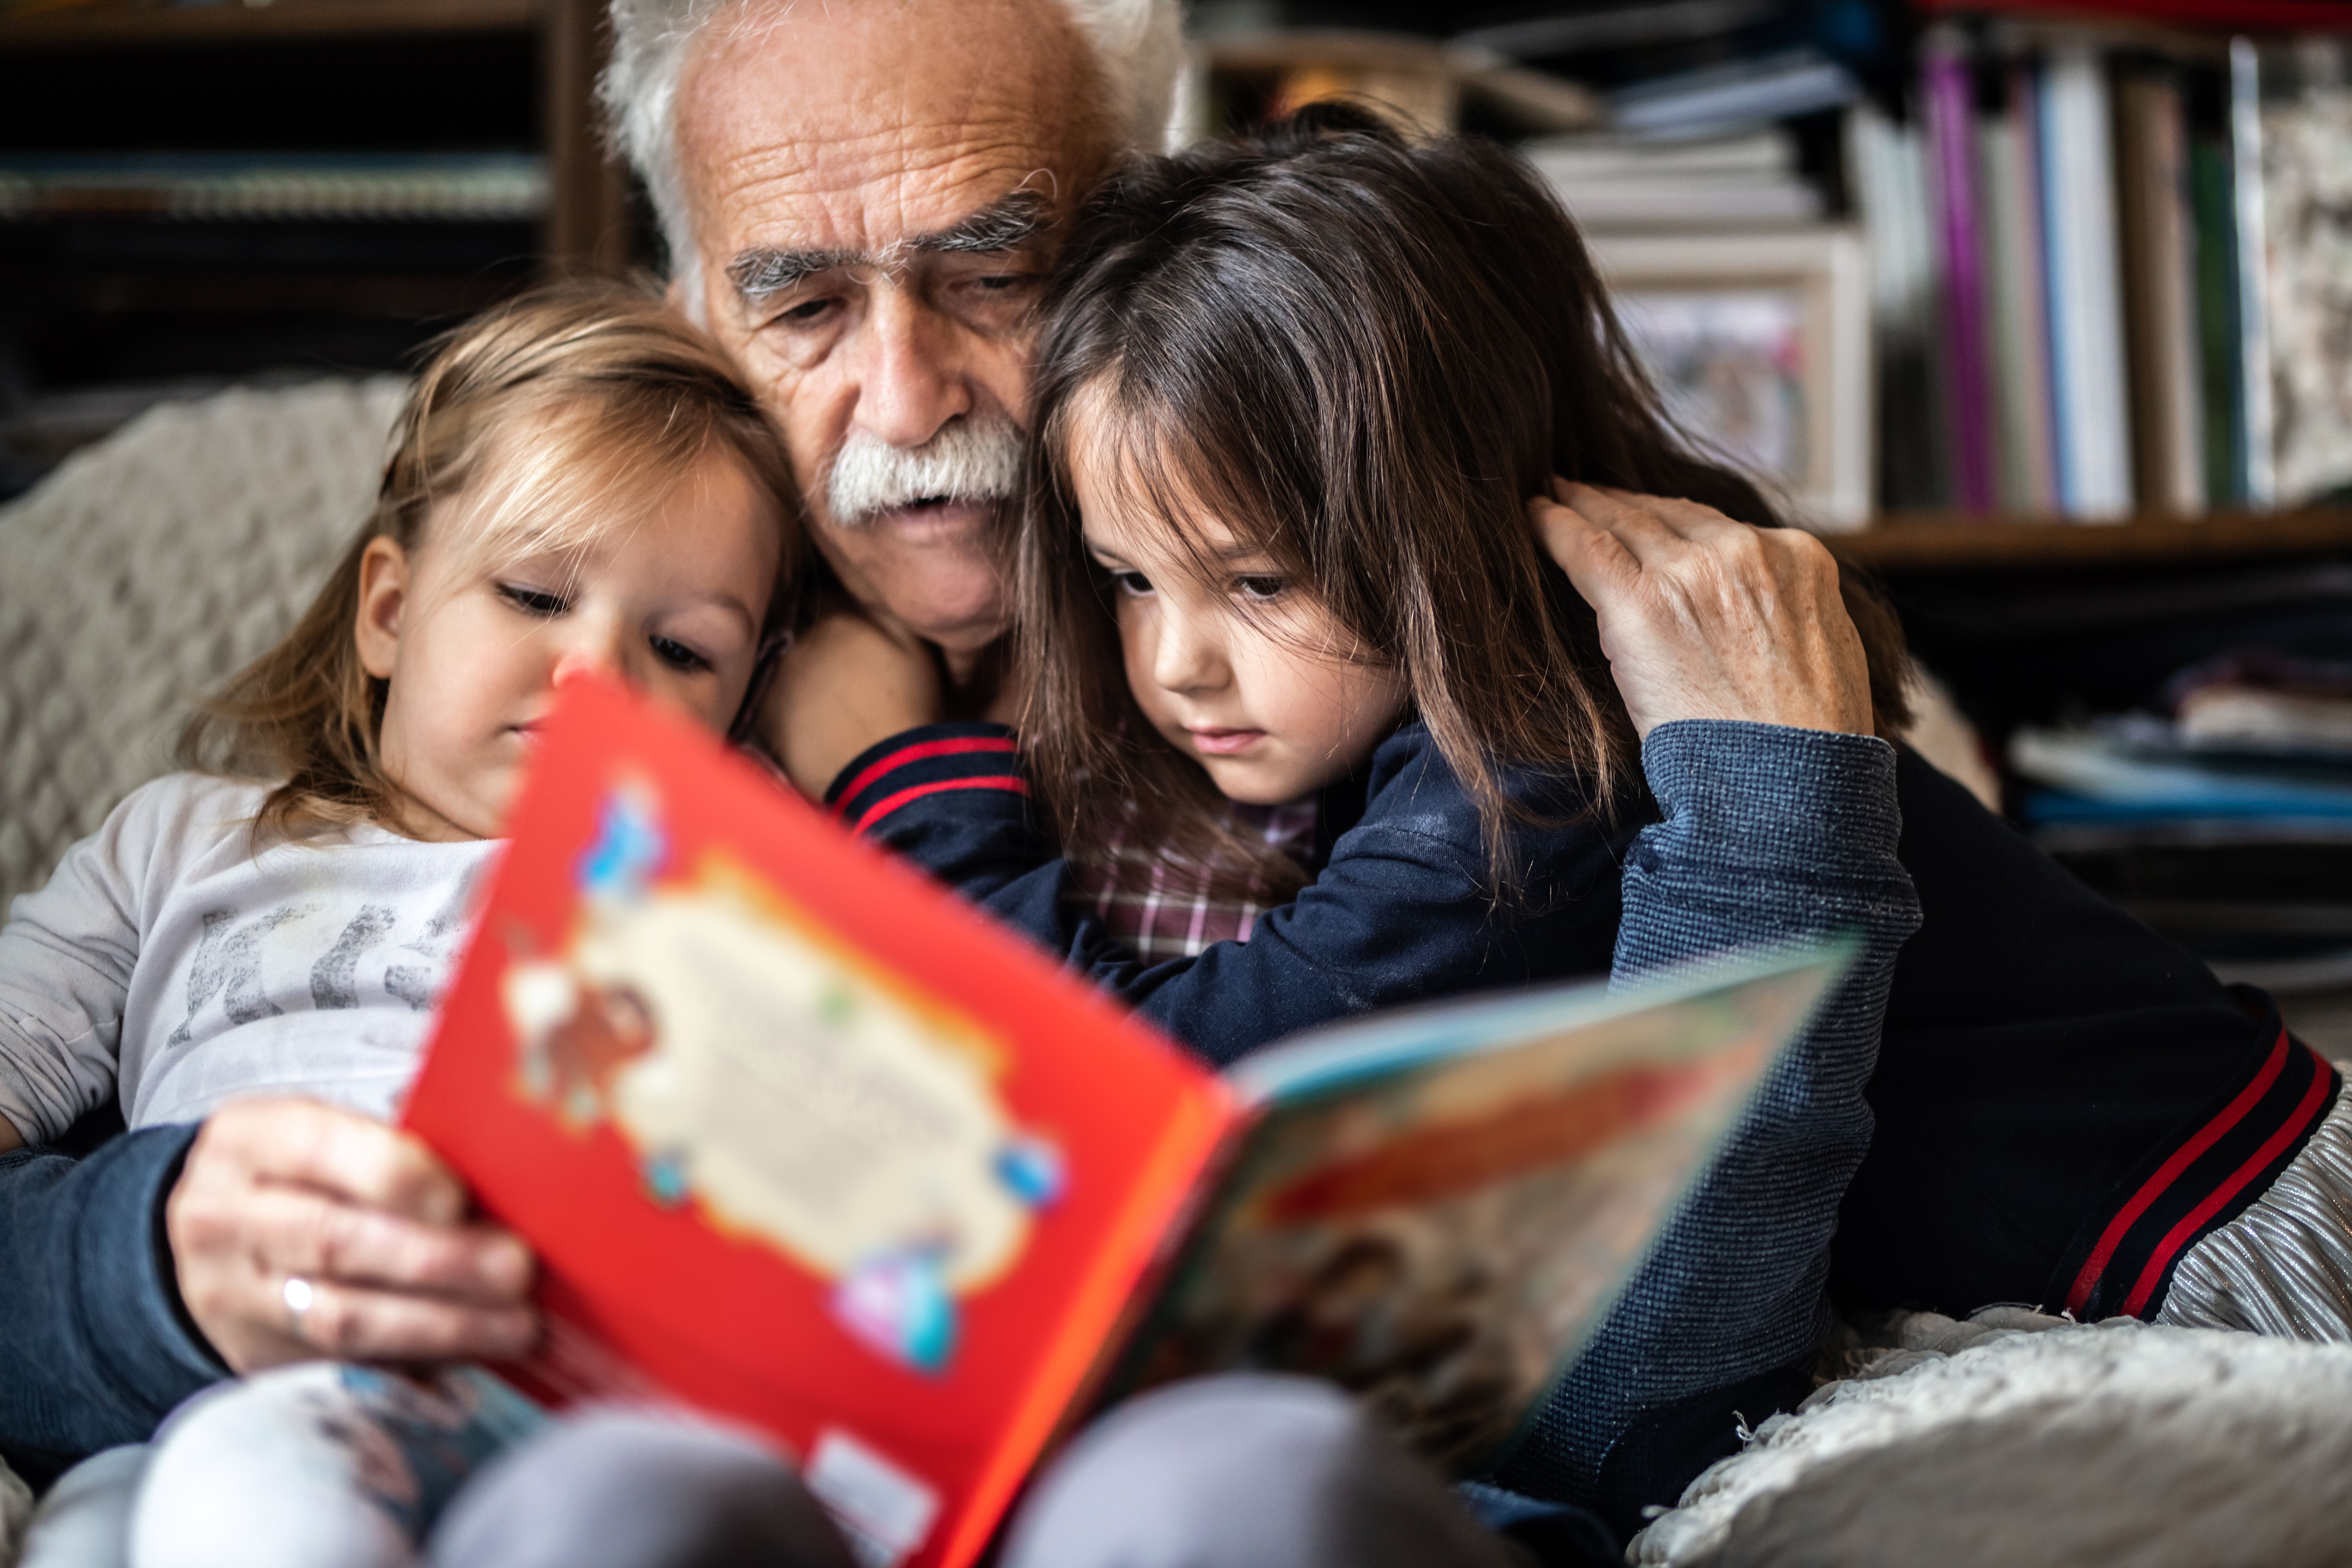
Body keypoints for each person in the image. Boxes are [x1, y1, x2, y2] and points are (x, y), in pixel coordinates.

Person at [0, 2, 1910, 1563]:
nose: (908, 401)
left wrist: (1785, 814)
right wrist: (157, 1259)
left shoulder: (1384, 678)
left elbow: (1675, 1365)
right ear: (693, 315)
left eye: (996, 270)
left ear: (1147, 245)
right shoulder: (563, 724)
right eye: (802, 305)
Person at [795, 110, 2352, 1526]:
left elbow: (1122, 1094)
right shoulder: (1468, 727)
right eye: (1131, 580)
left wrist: (909, 780)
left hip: (2231, 1270)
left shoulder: (1542, 763)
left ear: (1445, 523)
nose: (1175, 662)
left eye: (1257, 581)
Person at [0, 285, 805, 1566]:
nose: (599, 674)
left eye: (684, 651)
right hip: (193, 1386)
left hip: (534, 1397)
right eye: (534, 595)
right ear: (389, 611)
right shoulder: (181, 842)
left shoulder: (707, 869)